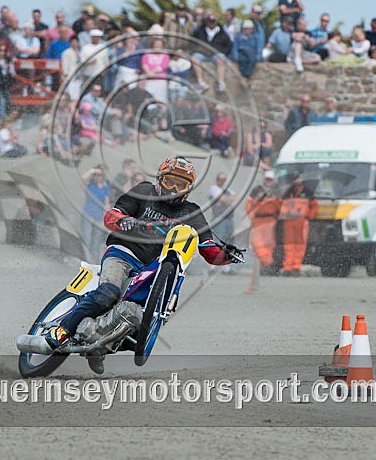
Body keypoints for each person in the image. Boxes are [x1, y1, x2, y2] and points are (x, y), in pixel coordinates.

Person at [38, 156, 243, 369]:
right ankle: (62, 329)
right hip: (123, 253)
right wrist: (122, 220)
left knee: (136, 320)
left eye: (180, 185)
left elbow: (207, 248)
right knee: (109, 292)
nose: (173, 188)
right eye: (169, 182)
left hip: (153, 267)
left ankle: (99, 346)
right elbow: (112, 215)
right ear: (159, 179)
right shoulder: (144, 191)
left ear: (188, 189)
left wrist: (226, 254)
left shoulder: (191, 212)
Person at [279, 176, 317, 276]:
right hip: (289, 221)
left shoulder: (308, 192)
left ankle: (296, 267)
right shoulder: (288, 191)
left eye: (299, 179)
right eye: (296, 179)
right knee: (289, 245)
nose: (298, 181)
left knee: (300, 245)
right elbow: (281, 203)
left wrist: (309, 217)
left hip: (302, 221)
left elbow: (314, 206)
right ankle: (288, 267)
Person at [246, 171, 282, 275]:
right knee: (257, 244)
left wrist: (276, 218)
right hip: (258, 220)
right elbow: (249, 203)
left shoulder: (276, 191)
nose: (268, 181)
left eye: (270, 179)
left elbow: (280, 206)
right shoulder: (257, 190)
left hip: (270, 221)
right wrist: (252, 216)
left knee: (269, 246)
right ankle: (269, 264)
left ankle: (265, 267)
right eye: (267, 179)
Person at [191, 13, 232, 93]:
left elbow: (228, 45)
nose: (211, 23)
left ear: (216, 21)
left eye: (213, 21)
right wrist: (196, 50)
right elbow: (192, 41)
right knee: (194, 59)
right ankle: (201, 83)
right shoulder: (200, 30)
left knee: (221, 59)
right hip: (202, 53)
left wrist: (223, 52)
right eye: (210, 21)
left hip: (215, 54)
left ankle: (221, 83)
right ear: (206, 21)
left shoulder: (222, 32)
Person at [208, 172, 238, 274]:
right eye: (221, 179)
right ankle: (212, 267)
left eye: (224, 179)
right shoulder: (214, 189)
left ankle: (226, 267)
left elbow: (235, 199)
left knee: (228, 243)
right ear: (217, 180)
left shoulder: (228, 190)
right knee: (217, 242)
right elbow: (224, 199)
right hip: (219, 218)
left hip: (229, 219)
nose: (222, 181)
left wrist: (227, 200)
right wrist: (227, 199)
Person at [80, 164, 112, 261]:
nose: (99, 177)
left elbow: (107, 203)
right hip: (87, 216)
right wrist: (93, 170)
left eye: (101, 175)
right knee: (86, 239)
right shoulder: (91, 185)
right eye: (97, 175)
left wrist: (106, 219)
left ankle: (93, 262)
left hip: (99, 218)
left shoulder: (106, 187)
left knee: (96, 243)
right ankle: (84, 260)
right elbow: (82, 179)